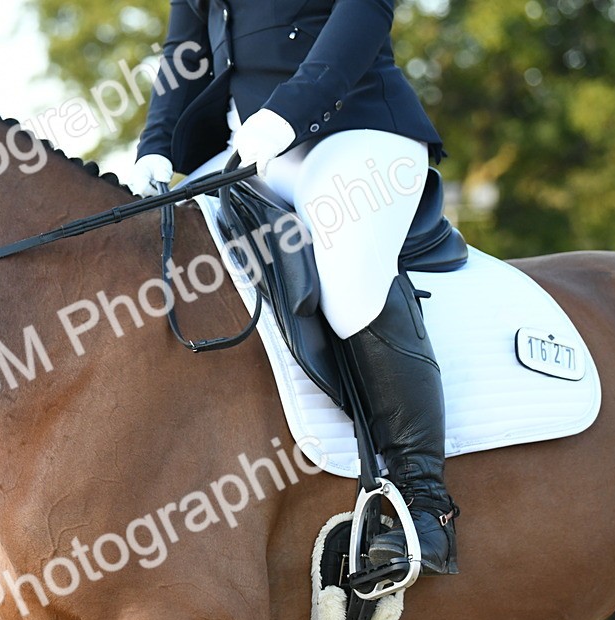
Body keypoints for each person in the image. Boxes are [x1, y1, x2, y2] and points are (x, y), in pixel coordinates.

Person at [130, 0, 459, 574]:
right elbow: (182, 50)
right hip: (247, 148)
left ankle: (422, 502)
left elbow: (365, 14)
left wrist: (287, 114)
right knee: (150, 255)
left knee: (348, 273)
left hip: (355, 128)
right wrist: (155, 145)